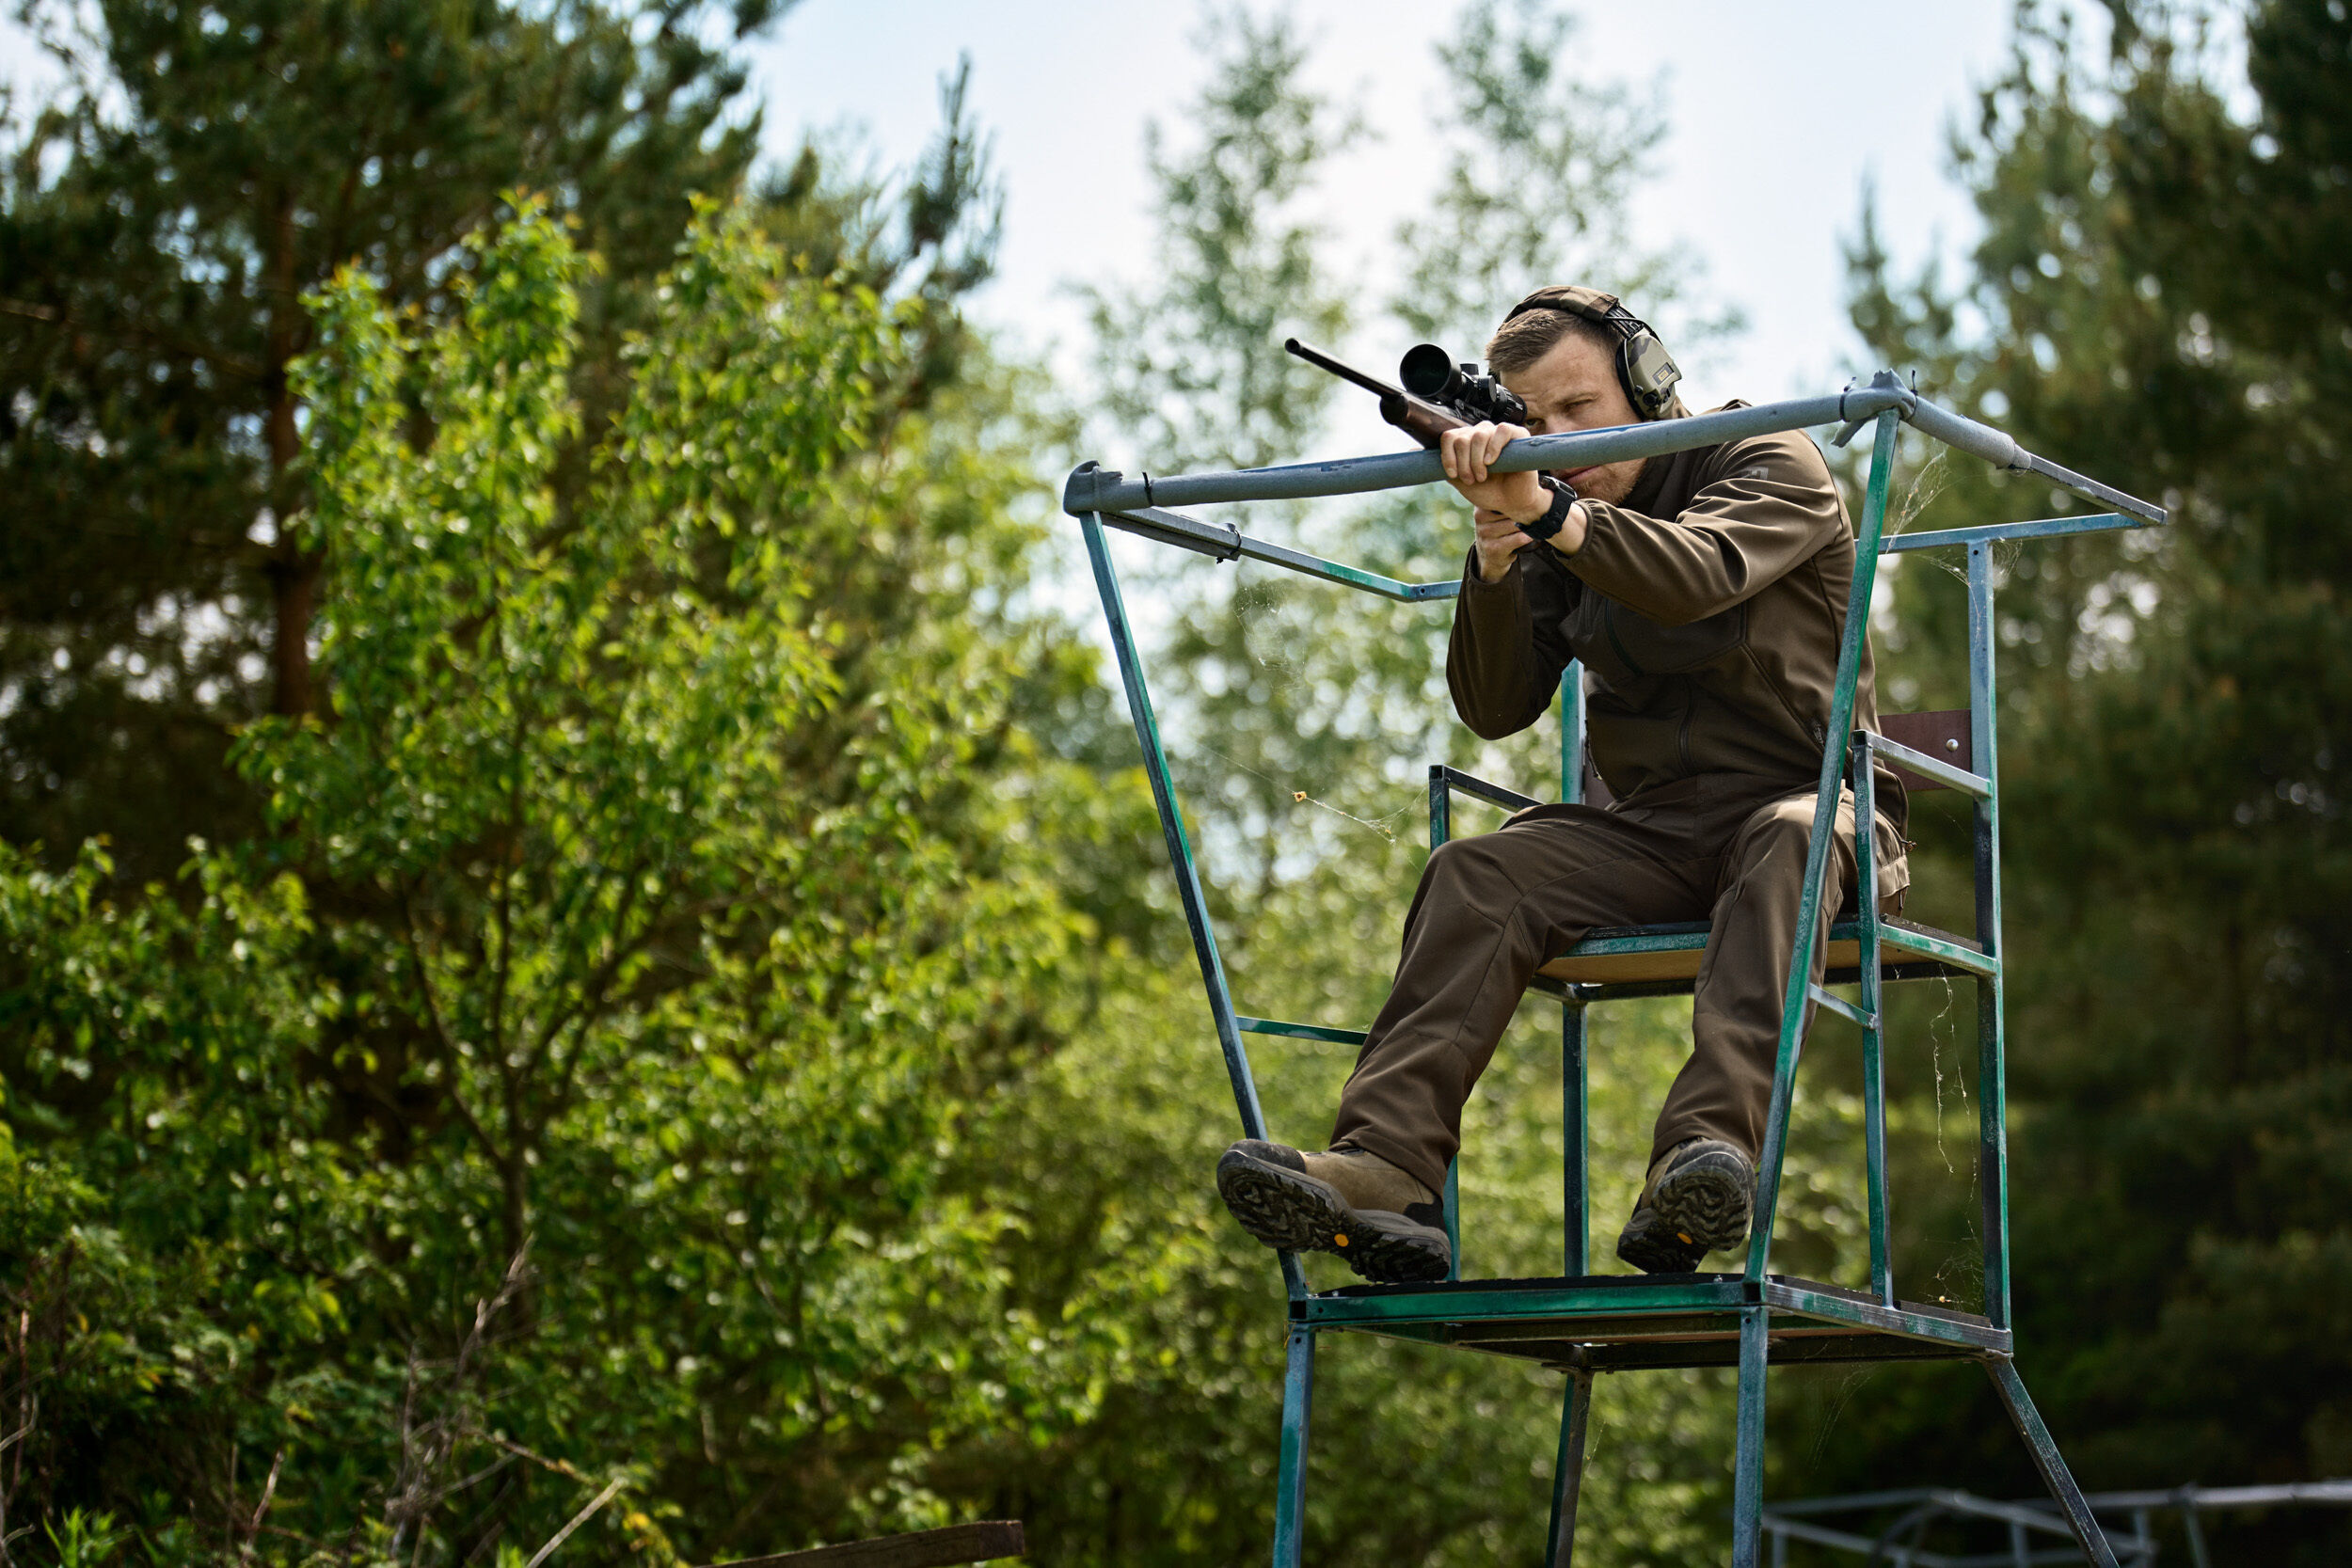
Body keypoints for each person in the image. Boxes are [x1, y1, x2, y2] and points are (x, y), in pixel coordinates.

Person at [1215, 286, 1909, 1283]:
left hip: (1815, 809)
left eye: (1581, 408)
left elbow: (1695, 574)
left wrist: (1546, 509)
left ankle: (1700, 1162)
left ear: (1649, 385)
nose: (1560, 441)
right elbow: (1495, 705)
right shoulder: (1559, 510)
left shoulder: (1765, 455)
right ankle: (1387, 1169)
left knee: (1784, 839)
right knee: (1476, 872)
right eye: (1534, 422)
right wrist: (1497, 559)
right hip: (1657, 829)